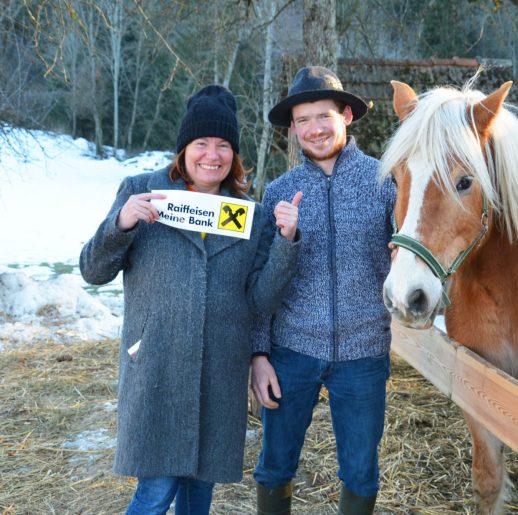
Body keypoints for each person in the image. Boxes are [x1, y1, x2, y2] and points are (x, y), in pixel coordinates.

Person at [80, 85, 302, 514]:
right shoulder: (142, 192)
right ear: (184, 150)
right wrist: (121, 224)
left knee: (198, 496)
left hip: (218, 377)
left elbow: (260, 300)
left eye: (223, 146)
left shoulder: (249, 215)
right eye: (201, 143)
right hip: (157, 370)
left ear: (233, 156)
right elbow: (93, 270)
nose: (212, 155)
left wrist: (287, 242)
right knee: (155, 491)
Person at [250, 67, 395, 514]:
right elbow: (258, 285)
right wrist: (258, 356)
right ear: (292, 129)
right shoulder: (279, 191)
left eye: (323, 116)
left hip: (364, 352)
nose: (314, 128)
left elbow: (411, 255)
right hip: (291, 351)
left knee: (360, 472)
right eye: (303, 120)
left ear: (346, 116)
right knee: (275, 465)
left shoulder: (385, 183)